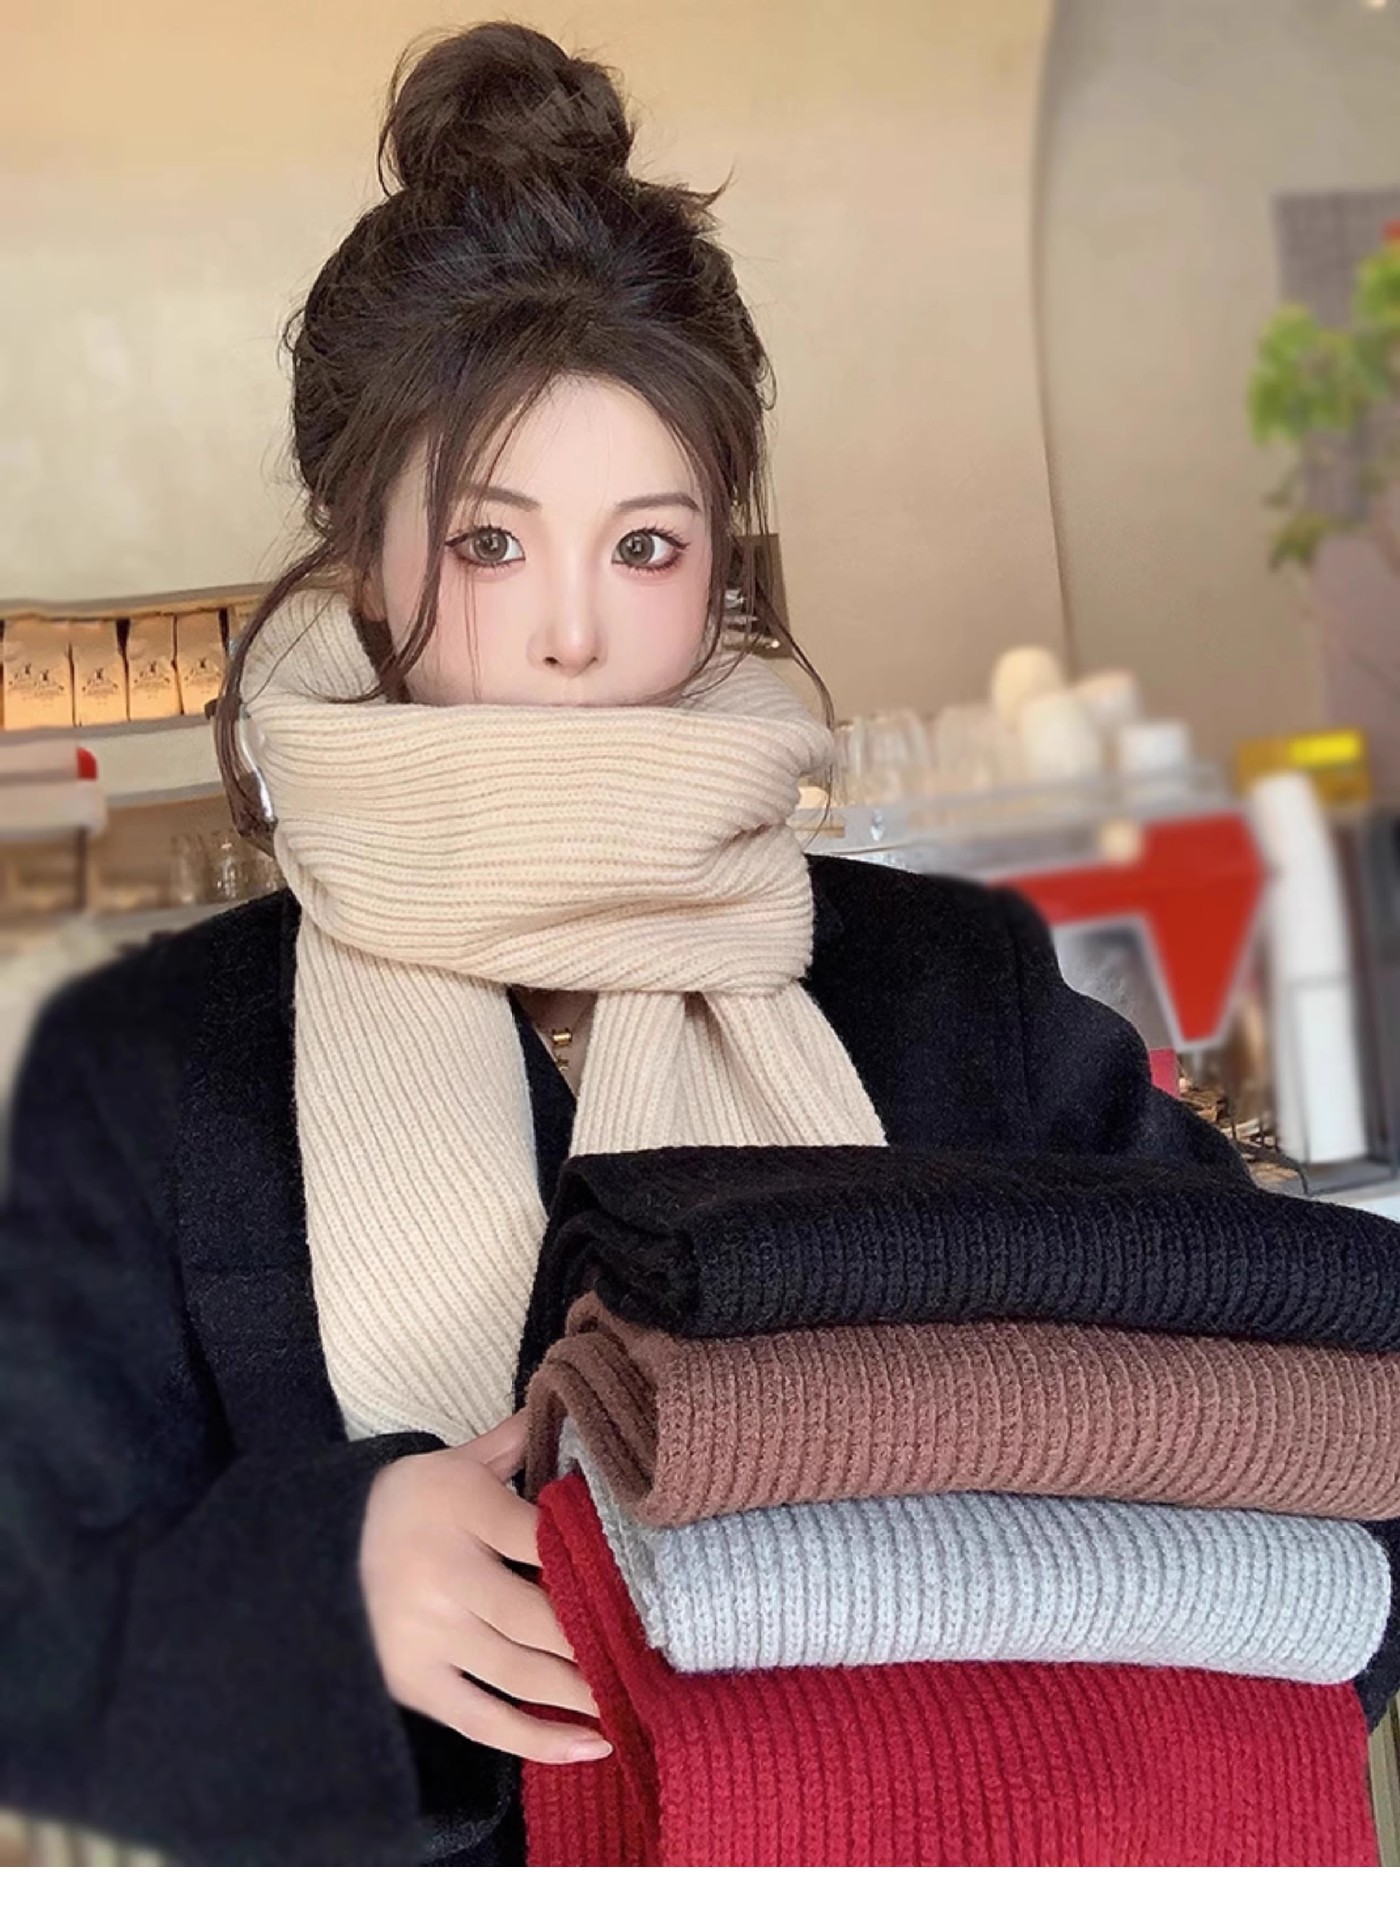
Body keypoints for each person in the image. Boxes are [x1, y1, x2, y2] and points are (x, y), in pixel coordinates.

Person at [0, 22, 1251, 1868]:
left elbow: (1295, 1442)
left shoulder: (946, 986)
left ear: (721, 558)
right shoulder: (163, 1061)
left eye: (645, 547)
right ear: (361, 551)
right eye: (491, 544)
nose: (574, 635)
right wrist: (322, 1586)